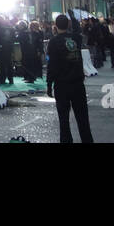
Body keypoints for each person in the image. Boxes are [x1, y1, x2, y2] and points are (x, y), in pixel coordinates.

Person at [46, 14, 93, 143]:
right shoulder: (76, 38)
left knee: (64, 120)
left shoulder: (53, 42)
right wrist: (72, 17)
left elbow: (51, 65)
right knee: (83, 119)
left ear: (55, 26)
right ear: (68, 25)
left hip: (62, 85)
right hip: (78, 83)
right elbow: (78, 29)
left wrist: (49, 85)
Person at [0, 17, 14, 85]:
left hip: (3, 48)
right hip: (8, 48)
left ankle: (3, 79)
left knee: (3, 65)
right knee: (8, 64)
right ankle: (10, 79)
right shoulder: (10, 27)